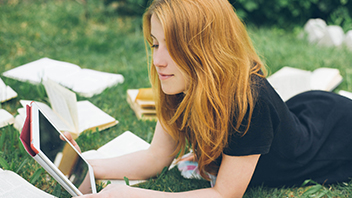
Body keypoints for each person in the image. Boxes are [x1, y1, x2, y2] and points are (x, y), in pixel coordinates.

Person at [66, 0, 352, 197]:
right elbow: (155, 158)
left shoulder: (249, 100)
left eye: (172, 46)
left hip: (335, 137)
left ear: (205, 49)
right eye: (154, 44)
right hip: (306, 110)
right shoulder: (178, 84)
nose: (157, 60)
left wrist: (132, 195)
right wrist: (88, 165)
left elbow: (225, 194)